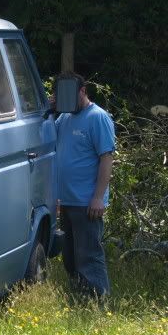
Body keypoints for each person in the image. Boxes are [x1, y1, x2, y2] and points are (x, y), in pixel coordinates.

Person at [51, 74, 115, 297]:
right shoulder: (64, 118)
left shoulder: (97, 117)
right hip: (66, 201)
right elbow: (49, 137)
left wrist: (98, 197)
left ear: (83, 91)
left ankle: (97, 302)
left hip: (87, 202)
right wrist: (49, 110)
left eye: (69, 94)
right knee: (70, 257)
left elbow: (107, 158)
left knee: (89, 256)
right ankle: (79, 297)